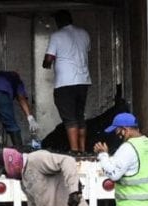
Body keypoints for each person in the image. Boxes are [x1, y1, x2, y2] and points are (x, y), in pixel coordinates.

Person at [42, 10, 91, 153]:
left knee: (69, 118)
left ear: (58, 22)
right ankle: (82, 149)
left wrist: (46, 63)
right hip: (83, 81)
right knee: (80, 116)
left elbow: (48, 59)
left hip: (65, 83)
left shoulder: (57, 36)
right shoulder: (84, 34)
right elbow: (85, 52)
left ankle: (74, 151)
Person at [0, 70, 38, 147]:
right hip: (0, 93)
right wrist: (30, 118)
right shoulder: (16, 80)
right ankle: (19, 149)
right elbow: (22, 99)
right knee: (11, 124)